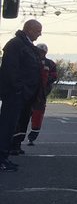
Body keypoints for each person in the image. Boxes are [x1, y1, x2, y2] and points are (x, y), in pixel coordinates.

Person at [0, 19, 42, 171]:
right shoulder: (16, 44)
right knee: (6, 126)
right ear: (29, 29)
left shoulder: (25, 45)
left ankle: (4, 156)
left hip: (22, 94)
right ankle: (1, 158)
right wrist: (19, 89)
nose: (40, 34)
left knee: (11, 126)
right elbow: (10, 69)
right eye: (38, 31)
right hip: (14, 93)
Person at [26, 42, 58, 145]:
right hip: (27, 92)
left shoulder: (51, 63)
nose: (41, 53)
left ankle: (32, 137)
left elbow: (54, 76)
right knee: (23, 115)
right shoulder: (30, 60)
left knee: (37, 115)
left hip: (41, 94)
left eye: (43, 51)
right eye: (39, 51)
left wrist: (45, 82)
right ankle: (16, 140)